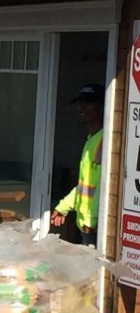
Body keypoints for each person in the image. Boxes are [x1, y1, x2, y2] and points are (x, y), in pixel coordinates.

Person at [51, 83, 104, 247]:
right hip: (86, 225)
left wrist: (92, 219)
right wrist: (64, 206)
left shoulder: (104, 141)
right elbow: (84, 186)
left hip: (94, 228)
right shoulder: (91, 140)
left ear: (101, 106)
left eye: (88, 102)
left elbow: (104, 186)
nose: (82, 108)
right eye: (80, 103)